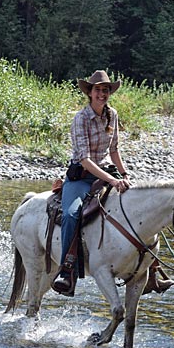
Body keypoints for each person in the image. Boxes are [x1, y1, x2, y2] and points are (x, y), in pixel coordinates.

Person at [52, 70, 131, 295]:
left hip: (107, 173)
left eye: (105, 90)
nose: (102, 94)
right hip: (82, 177)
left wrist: (124, 175)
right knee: (71, 214)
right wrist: (113, 180)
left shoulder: (112, 115)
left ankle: (150, 269)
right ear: (90, 92)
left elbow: (114, 149)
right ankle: (66, 270)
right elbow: (85, 160)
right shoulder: (81, 118)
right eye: (98, 90)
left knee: (136, 204)